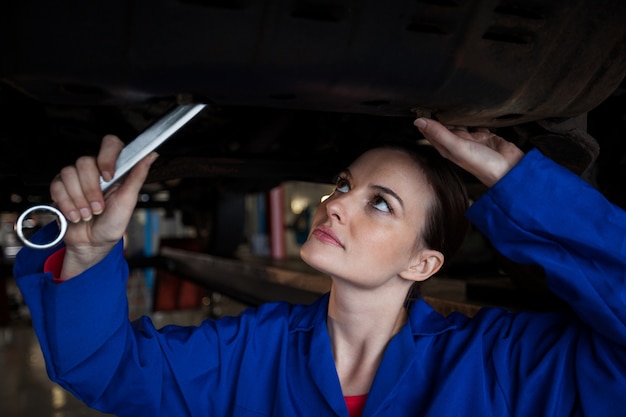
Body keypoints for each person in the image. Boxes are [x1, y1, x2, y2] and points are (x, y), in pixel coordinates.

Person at [14, 118, 626, 417]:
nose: (335, 204)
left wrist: (518, 183)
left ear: (424, 262)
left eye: (379, 203)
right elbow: (106, 370)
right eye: (343, 185)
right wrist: (89, 253)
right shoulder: (250, 351)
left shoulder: (498, 364)